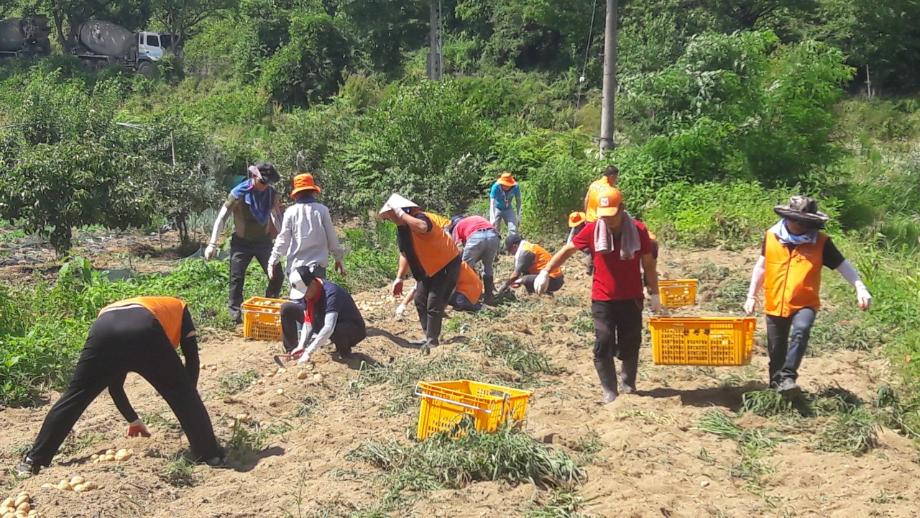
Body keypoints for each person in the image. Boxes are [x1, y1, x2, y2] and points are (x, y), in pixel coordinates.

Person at [17, 297, 223, 476]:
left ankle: (33, 461)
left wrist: (133, 420)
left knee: (75, 396)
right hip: (145, 328)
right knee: (182, 393)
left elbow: (114, 386)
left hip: (103, 329)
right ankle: (210, 455)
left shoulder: (130, 308)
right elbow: (192, 360)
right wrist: (190, 401)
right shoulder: (180, 307)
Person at [536, 187, 660, 403]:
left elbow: (648, 264)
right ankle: (610, 390)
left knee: (631, 340)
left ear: (622, 209)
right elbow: (568, 250)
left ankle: (629, 384)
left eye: (612, 215)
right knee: (603, 340)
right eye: (604, 215)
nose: (608, 220)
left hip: (631, 296)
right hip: (603, 297)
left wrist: (655, 293)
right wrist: (546, 271)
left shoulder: (638, 231)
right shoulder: (593, 230)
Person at [744, 196, 872, 395]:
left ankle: (788, 376)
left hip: (805, 302)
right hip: (775, 301)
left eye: (806, 223)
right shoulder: (771, 236)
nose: (801, 226)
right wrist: (751, 295)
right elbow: (761, 267)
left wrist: (860, 287)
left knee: (801, 330)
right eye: (798, 221)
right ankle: (777, 389)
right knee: (776, 350)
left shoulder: (821, 242)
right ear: (789, 218)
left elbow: (842, 266)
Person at [379, 193, 461, 353]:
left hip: (445, 264)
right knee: (420, 300)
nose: (392, 220)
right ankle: (428, 336)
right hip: (427, 268)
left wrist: (401, 214)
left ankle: (432, 342)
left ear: (400, 211)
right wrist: (399, 278)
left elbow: (422, 228)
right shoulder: (402, 229)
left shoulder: (421, 217)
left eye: (392, 216)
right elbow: (405, 253)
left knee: (433, 304)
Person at [205, 163, 284, 323]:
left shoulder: (271, 194)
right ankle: (235, 315)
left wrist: (282, 238)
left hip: (264, 242)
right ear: (254, 177)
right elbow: (222, 217)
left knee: (277, 275)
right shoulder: (238, 193)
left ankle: (270, 305)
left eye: (268, 183)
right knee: (236, 278)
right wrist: (212, 244)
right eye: (263, 182)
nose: (265, 186)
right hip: (241, 243)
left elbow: (276, 216)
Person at [280, 265, 366, 363]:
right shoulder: (308, 295)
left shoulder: (332, 294)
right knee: (287, 308)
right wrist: (301, 346)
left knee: (337, 329)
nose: (304, 296)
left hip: (352, 329)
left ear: (313, 283)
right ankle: (291, 350)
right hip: (321, 318)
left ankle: (344, 353)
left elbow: (329, 327)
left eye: (305, 292)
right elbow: (308, 322)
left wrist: (309, 351)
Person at [268, 173, 345, 281]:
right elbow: (331, 237)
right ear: (313, 192)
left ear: (296, 194)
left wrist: (273, 260)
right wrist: (338, 258)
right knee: (317, 297)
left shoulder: (290, 212)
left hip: (295, 269)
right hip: (317, 269)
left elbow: (283, 239)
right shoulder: (322, 210)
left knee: (298, 297)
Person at [448, 214, 500, 304]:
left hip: (476, 237)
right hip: (493, 236)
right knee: (488, 266)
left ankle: (468, 296)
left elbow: (458, 249)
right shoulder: (476, 218)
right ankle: (489, 296)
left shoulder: (457, 227)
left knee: (465, 269)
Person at [499, 234, 565, 295]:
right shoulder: (527, 246)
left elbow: (516, 275)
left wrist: (505, 285)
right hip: (551, 277)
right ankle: (540, 293)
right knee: (525, 274)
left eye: (509, 250)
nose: (511, 253)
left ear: (514, 246)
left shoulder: (525, 252)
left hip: (554, 280)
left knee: (525, 279)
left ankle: (542, 296)